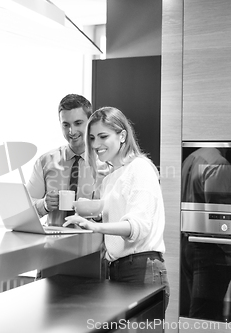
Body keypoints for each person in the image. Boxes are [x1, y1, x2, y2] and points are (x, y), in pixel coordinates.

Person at [63, 106, 170, 309]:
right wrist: (93, 214)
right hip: (119, 269)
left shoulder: (140, 168)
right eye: (92, 138)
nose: (96, 144)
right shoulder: (110, 178)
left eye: (103, 136)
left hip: (142, 270)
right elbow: (117, 213)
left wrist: (95, 227)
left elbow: (137, 228)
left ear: (122, 135)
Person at [26, 94, 106, 227]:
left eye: (78, 123)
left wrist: (97, 212)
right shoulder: (45, 162)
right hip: (53, 243)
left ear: (90, 122)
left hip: (93, 244)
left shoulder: (106, 163)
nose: (72, 131)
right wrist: (44, 205)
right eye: (66, 125)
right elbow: (24, 211)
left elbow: (118, 212)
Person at [180, 147, 231, 321]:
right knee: (204, 317)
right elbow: (219, 218)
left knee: (202, 316)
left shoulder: (190, 158)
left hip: (187, 245)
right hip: (210, 250)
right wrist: (230, 252)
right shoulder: (219, 163)